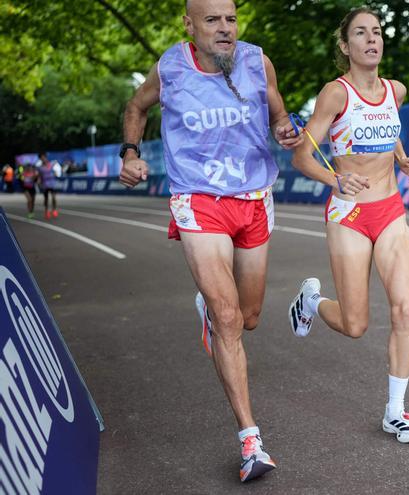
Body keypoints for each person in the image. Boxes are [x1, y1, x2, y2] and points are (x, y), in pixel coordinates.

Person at [117, 0, 303, 482]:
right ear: (190, 24)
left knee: (249, 317)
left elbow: (279, 115)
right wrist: (131, 153)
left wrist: (285, 130)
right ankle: (250, 440)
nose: (225, 29)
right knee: (227, 318)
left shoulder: (257, 61)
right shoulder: (170, 67)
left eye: (231, 19)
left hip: (253, 196)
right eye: (213, 20)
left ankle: (214, 314)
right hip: (198, 197)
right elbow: (135, 106)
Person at [288, 6, 409, 444]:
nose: (372, 39)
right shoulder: (336, 94)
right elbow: (302, 156)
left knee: (404, 309)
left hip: (389, 211)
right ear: (345, 47)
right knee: (355, 326)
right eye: (361, 33)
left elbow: (391, 126)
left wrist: (402, 158)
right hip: (348, 215)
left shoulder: (395, 90)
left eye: (378, 32)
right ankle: (311, 301)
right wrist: (335, 177)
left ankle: (395, 413)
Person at [37, 152, 59, 219]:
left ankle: (54, 210)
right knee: (46, 199)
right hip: (45, 184)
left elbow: (55, 171)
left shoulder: (51, 164)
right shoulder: (40, 168)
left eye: (44, 157)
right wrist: (39, 181)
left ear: (46, 157)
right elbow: (39, 176)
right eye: (42, 158)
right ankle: (46, 211)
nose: (43, 159)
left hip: (52, 183)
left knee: (53, 197)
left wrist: (55, 173)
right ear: (40, 159)